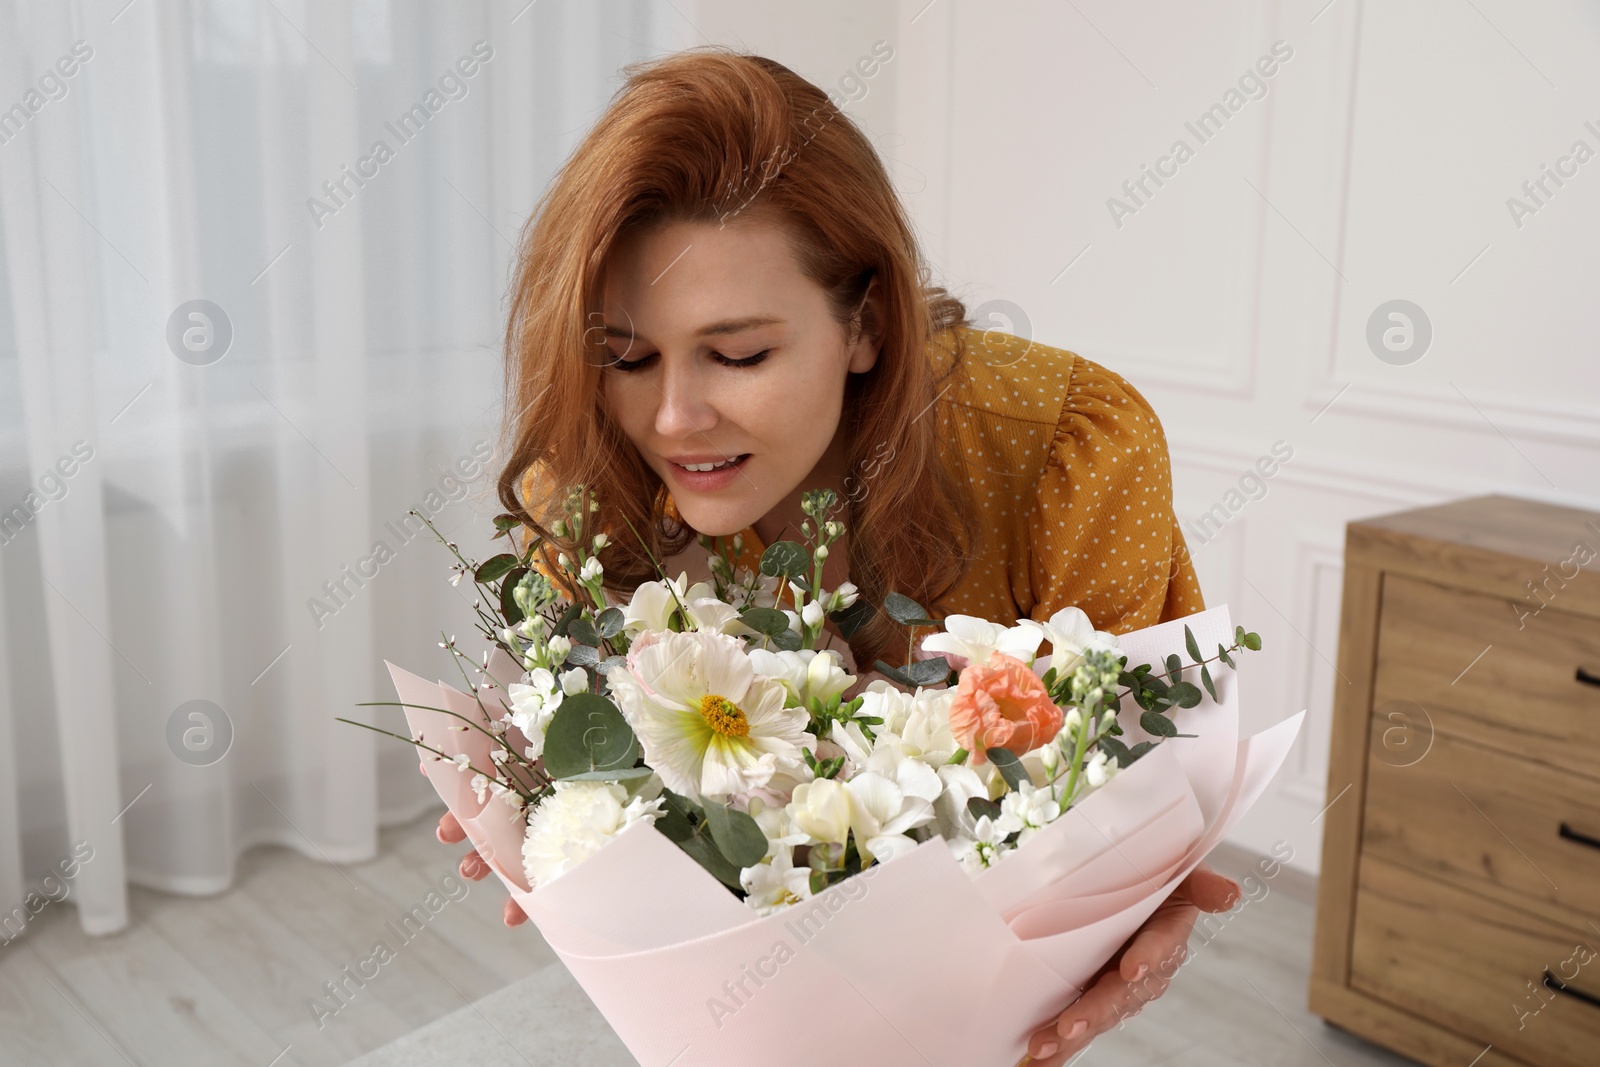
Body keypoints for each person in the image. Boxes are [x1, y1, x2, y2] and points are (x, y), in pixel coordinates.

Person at [431, 45, 1240, 1064]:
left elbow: (1133, 779)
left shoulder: (1064, 446)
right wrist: (564, 814)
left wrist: (1144, 894)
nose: (674, 416)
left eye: (738, 353)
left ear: (863, 323)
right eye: (626, 355)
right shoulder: (590, 481)